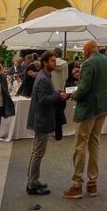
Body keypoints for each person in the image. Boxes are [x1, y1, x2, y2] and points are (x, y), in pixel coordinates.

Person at [64, 40, 107, 199]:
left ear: (87, 51)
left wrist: (72, 95)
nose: (83, 54)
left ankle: (76, 184)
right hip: (103, 106)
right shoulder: (106, 60)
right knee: (94, 143)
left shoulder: (88, 63)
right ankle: (93, 183)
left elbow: (84, 88)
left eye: (83, 51)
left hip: (89, 108)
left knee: (80, 145)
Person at [27, 50, 70, 196]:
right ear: (45, 62)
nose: (55, 63)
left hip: (42, 118)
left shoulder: (45, 76)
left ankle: (32, 180)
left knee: (36, 152)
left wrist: (57, 94)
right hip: (42, 120)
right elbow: (43, 100)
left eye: (55, 60)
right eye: (52, 61)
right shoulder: (43, 79)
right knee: (38, 153)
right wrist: (58, 96)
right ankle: (32, 184)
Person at [51, 47, 69, 141]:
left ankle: (53, 132)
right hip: (61, 90)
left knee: (53, 112)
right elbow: (66, 77)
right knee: (60, 111)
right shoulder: (65, 63)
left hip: (52, 90)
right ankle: (59, 133)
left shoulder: (51, 63)